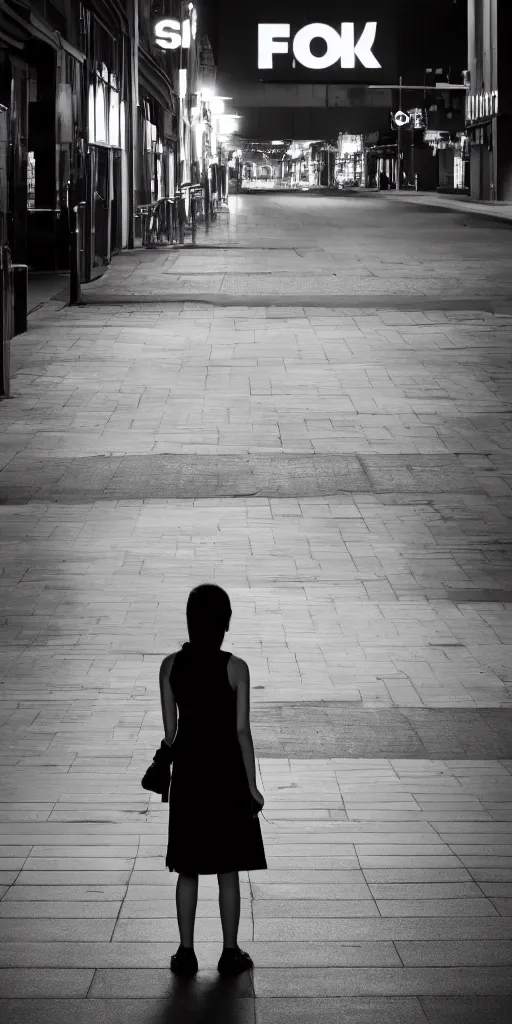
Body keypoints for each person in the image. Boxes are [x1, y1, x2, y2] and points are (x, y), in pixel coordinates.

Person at [159, 584, 267, 979]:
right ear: (224, 624)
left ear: (189, 621)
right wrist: (252, 786)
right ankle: (230, 951)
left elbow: (171, 732)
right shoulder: (236, 668)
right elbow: (242, 732)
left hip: (188, 774)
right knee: (228, 868)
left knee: (187, 869)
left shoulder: (170, 666)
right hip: (225, 776)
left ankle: (185, 953)